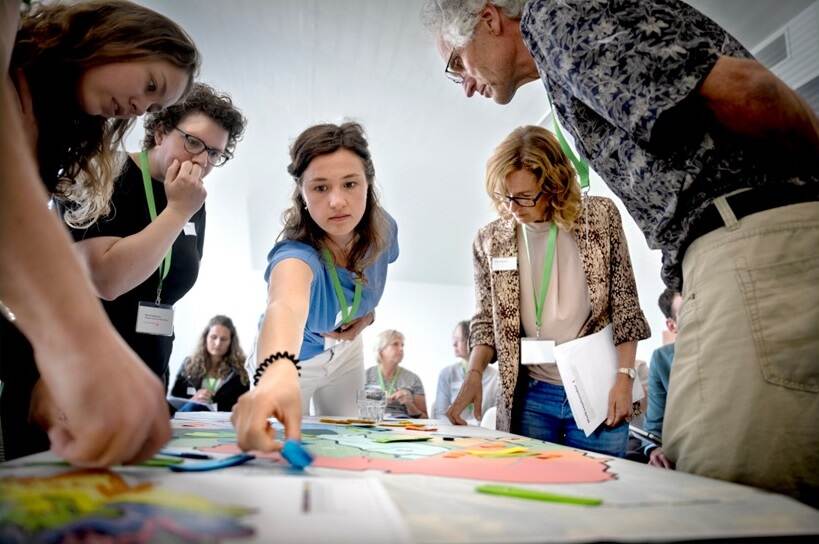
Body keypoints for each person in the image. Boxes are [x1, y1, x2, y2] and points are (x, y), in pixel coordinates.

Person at [423, 0, 818, 504]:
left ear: (489, 17)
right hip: (719, 255)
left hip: (751, 241)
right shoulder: (558, 63)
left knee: (719, 497)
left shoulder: (556, 16)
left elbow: (753, 91)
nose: (467, 83)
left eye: (458, 63)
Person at [0, 0, 199, 465]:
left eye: (152, 104)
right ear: (118, 33)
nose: (138, 106)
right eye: (150, 85)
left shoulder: (54, 122)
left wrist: (45, 373)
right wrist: (79, 348)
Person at [448, 125, 650, 457]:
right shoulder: (490, 240)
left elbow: (625, 304)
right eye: (505, 196)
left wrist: (625, 378)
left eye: (525, 197)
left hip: (599, 388)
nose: (514, 207)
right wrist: (474, 373)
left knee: (597, 493)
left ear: (554, 185)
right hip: (530, 396)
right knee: (531, 493)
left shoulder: (597, 219)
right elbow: (486, 321)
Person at [232, 122, 399, 452]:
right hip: (296, 360)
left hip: (346, 353)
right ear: (302, 194)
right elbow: (284, 308)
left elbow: (371, 281)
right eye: (320, 188)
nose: (337, 201)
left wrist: (368, 316)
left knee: (348, 443)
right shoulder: (295, 255)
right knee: (280, 448)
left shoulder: (385, 228)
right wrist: (277, 373)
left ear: (368, 183)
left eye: (350, 184)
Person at [68, 83, 246, 385]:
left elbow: (177, 277)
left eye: (215, 153)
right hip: (85, 368)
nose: (202, 161)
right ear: (161, 131)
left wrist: (183, 207)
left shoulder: (192, 198)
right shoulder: (105, 172)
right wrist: (177, 211)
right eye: (193, 142)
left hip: (151, 368)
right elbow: (106, 281)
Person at [170, 315, 249, 412]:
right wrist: (194, 400)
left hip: (223, 422)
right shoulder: (189, 364)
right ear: (205, 337)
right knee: (193, 407)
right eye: (213, 337)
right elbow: (174, 400)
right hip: (189, 419)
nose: (217, 343)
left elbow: (244, 405)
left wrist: (214, 405)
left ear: (231, 342)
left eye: (223, 339)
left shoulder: (241, 369)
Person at [643, 289, 683, 469]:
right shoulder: (661, 359)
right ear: (672, 326)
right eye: (687, 312)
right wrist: (655, 449)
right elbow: (654, 426)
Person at [432, 320, 498, 423]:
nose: (454, 344)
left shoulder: (495, 377)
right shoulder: (447, 374)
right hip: (452, 431)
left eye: (458, 339)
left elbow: (494, 418)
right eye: (453, 339)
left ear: (472, 341)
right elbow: (440, 415)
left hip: (483, 434)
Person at [365, 330, 428, 419]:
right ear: (380, 350)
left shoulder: (413, 379)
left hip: (404, 426)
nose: (401, 349)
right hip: (372, 424)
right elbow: (352, 410)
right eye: (395, 344)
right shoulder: (365, 376)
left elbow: (424, 419)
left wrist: (409, 405)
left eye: (402, 345)